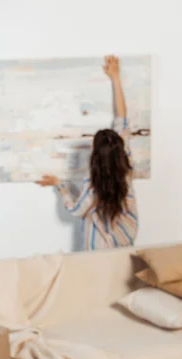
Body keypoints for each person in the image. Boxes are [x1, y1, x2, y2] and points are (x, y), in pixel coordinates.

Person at [35, 55, 138, 250]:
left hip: (100, 248)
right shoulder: (125, 163)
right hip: (126, 242)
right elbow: (122, 119)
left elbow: (76, 209)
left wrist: (60, 185)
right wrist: (115, 79)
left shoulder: (93, 185)